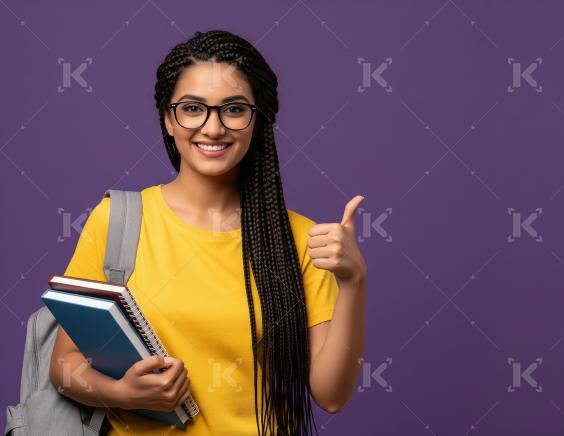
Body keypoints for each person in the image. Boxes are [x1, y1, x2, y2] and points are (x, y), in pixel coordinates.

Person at [48, 29, 367, 436]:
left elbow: (331, 396)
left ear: (259, 121)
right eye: (193, 108)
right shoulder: (117, 222)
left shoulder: (302, 241)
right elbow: (63, 365)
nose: (212, 128)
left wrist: (355, 281)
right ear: (168, 117)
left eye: (233, 109)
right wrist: (124, 392)